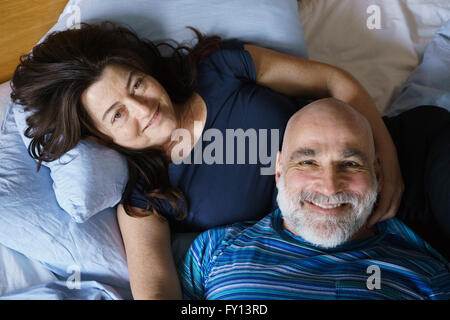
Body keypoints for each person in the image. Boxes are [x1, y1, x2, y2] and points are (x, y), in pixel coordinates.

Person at [10, 22, 404, 299]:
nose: (143, 107)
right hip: (341, 255)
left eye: (137, 84)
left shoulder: (221, 69)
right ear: (100, 136)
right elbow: (157, 293)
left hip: (380, 165)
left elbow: (336, 83)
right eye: (117, 114)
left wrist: (389, 160)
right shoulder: (144, 198)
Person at [179, 98, 450, 300]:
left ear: (377, 172)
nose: (330, 188)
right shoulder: (213, 251)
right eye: (308, 162)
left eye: (351, 164)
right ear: (279, 170)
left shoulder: (428, 275)